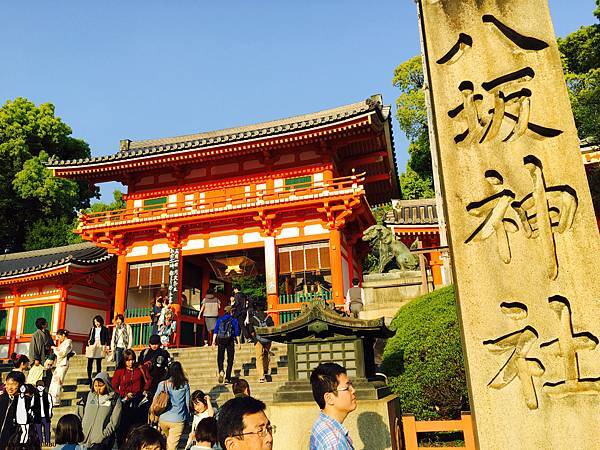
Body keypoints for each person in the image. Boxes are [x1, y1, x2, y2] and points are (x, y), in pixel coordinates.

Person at [309, 363, 357, 450]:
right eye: (347, 388)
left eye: (351, 385)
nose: (353, 390)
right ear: (329, 398)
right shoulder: (335, 442)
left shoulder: (321, 423)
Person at [112, 349, 152, 446]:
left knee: (138, 426)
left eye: (132, 359)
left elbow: (149, 379)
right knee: (124, 426)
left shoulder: (140, 368)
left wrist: (145, 389)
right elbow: (114, 386)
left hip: (138, 399)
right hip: (124, 400)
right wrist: (124, 394)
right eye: (128, 360)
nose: (131, 362)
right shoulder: (120, 371)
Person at [78, 372, 122, 450]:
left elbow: (114, 421)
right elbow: (79, 414)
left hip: (100, 443)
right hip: (82, 440)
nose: (98, 388)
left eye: (101, 386)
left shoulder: (114, 399)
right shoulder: (89, 396)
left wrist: (103, 435)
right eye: (95, 386)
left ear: (107, 384)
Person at [156, 361, 191, 450]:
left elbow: (155, 400)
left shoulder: (162, 384)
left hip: (163, 419)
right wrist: (188, 419)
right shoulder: (185, 385)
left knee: (167, 443)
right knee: (171, 447)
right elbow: (187, 404)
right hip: (178, 419)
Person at [212, 305, 241, 384]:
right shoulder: (233, 320)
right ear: (231, 311)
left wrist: (213, 342)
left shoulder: (220, 319)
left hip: (220, 340)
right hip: (230, 340)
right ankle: (228, 377)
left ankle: (221, 370)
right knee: (230, 359)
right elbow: (237, 332)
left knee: (220, 357)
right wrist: (238, 343)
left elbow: (215, 330)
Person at [249, 302, 275, 383]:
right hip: (268, 340)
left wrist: (254, 338)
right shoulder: (269, 318)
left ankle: (261, 376)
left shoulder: (253, 319)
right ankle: (266, 370)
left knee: (259, 357)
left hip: (258, 340)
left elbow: (251, 331)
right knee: (266, 355)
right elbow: (272, 328)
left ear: (256, 309)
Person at [0, 371, 26, 448]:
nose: (10, 388)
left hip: (14, 442)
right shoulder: (2, 399)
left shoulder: (24, 402)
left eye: (13, 384)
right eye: (8, 384)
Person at [49, 329, 73, 406]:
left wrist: (55, 349)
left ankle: (55, 400)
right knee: (55, 381)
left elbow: (62, 353)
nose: (59, 339)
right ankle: (52, 399)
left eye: (59, 337)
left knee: (58, 382)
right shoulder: (64, 343)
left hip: (63, 363)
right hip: (60, 364)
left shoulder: (68, 342)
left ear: (63, 335)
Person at [28, 317, 53, 386]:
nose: (47, 323)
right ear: (43, 325)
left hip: (47, 356)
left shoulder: (47, 332)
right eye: (46, 322)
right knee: (40, 375)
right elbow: (34, 348)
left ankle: (47, 389)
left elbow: (51, 342)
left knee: (48, 374)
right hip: (40, 357)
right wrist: (36, 359)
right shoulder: (36, 335)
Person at [85, 315, 109, 385]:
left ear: (101, 321)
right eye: (95, 322)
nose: (96, 323)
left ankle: (98, 378)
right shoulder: (92, 329)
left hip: (100, 344)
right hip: (93, 344)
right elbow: (89, 336)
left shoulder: (104, 329)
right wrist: (87, 344)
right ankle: (89, 378)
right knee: (90, 362)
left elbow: (107, 337)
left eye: (97, 322)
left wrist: (107, 346)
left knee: (98, 362)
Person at [32, 381, 53, 446]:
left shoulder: (48, 395)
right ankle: (40, 442)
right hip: (38, 416)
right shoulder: (34, 396)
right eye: (39, 386)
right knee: (38, 431)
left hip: (46, 416)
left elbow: (50, 404)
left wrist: (50, 412)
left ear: (44, 387)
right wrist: (33, 413)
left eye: (41, 386)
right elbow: (32, 405)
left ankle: (48, 442)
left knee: (47, 430)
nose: (40, 388)